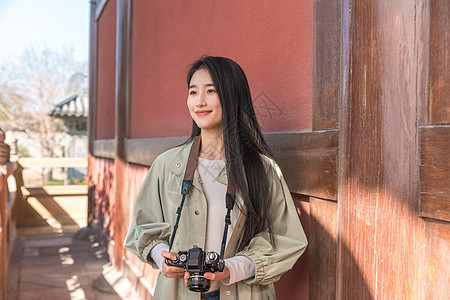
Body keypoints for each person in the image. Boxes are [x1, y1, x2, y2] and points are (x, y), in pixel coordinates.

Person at [124, 56, 307, 299]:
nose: (199, 101)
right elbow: (142, 227)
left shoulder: (263, 170)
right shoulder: (166, 166)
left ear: (233, 96)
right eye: (193, 92)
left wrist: (230, 268)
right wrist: (161, 255)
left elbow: (287, 239)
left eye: (211, 91)